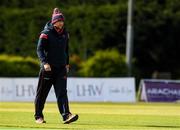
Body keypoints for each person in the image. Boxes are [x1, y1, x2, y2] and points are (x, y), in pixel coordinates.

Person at [34, 7, 78, 124]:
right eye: (59, 21)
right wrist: (44, 63)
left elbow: (66, 50)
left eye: (62, 21)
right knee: (42, 93)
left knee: (62, 93)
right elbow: (39, 49)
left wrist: (67, 63)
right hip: (48, 69)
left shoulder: (65, 34)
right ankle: (38, 116)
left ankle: (66, 115)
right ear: (54, 22)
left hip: (61, 68)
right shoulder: (46, 33)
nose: (61, 23)